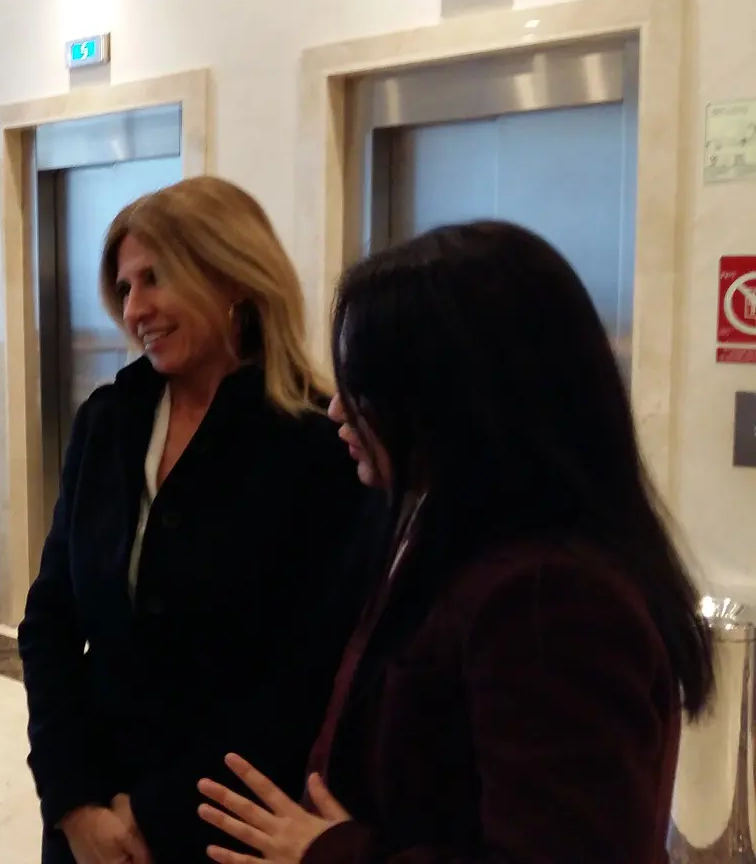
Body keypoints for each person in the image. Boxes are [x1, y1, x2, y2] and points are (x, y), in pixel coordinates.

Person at [195, 220, 714, 864]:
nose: (337, 410)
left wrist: (334, 853)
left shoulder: (550, 594)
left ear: (457, 397)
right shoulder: (443, 530)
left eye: (365, 388)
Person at [18, 176, 374, 864]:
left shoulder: (318, 445)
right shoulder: (106, 422)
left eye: (156, 278)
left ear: (233, 276)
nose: (135, 309)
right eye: (125, 288)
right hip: (87, 820)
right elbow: (50, 622)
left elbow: (310, 674)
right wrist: (73, 800)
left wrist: (155, 816)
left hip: (227, 825)